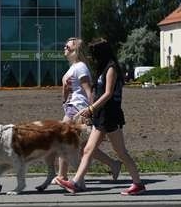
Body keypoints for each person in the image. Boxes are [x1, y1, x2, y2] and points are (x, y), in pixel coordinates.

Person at [55, 38, 146, 196]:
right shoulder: (103, 68)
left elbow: (108, 93)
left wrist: (91, 108)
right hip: (101, 115)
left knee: (121, 152)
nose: (92, 57)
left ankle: (137, 183)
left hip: (110, 116)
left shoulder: (111, 68)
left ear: (101, 53)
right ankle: (75, 183)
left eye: (94, 54)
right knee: (88, 150)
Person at [55, 37, 121, 189]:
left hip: (78, 110)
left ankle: (64, 176)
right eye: (65, 46)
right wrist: (65, 94)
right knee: (82, 146)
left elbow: (89, 91)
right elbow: (68, 93)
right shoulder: (72, 67)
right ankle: (113, 164)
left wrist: (91, 110)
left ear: (76, 51)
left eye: (68, 47)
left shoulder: (81, 68)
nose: (65, 49)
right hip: (71, 108)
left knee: (66, 142)